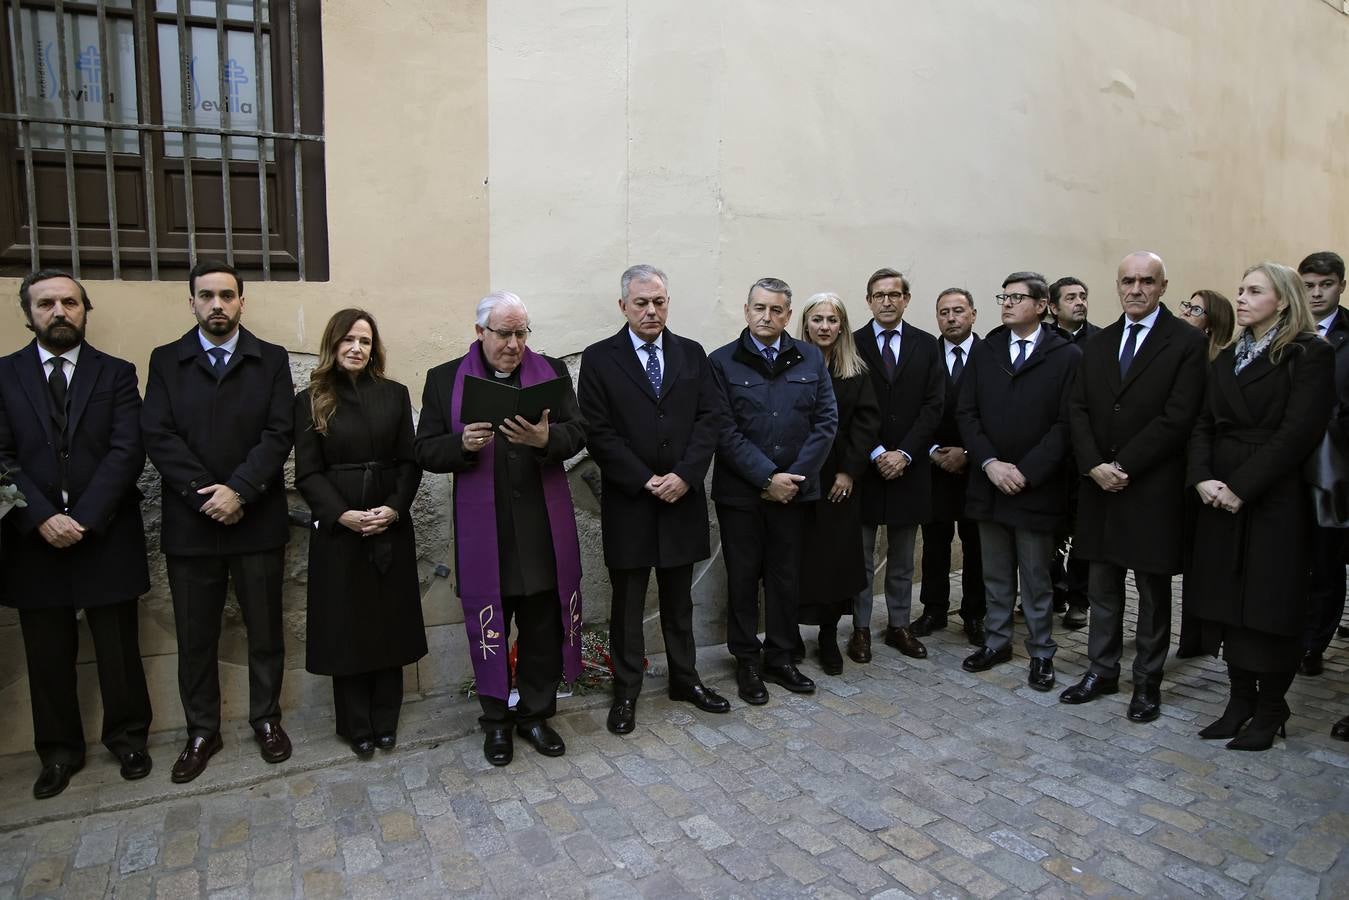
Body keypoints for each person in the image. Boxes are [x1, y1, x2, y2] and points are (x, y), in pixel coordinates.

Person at [415, 291, 586, 766]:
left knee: (540, 629)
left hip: (541, 530)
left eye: (521, 333)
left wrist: (546, 438)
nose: (514, 344)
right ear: (480, 333)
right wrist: (461, 444)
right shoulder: (444, 379)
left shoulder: (550, 370)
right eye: (503, 334)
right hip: (485, 535)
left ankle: (535, 715)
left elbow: (578, 432)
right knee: (491, 628)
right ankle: (496, 724)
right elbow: (425, 449)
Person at [0, 270, 153, 799]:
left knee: (118, 647)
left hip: (104, 531)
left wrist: (84, 516)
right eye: (46, 304)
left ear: (85, 311)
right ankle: (59, 752)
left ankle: (129, 738)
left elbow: (126, 449)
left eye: (69, 302)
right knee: (46, 653)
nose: (59, 311)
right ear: (29, 314)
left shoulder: (115, 373)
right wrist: (40, 516)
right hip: (32, 538)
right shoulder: (5, 375)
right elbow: (2, 458)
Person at [142, 261, 295, 783]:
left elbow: (278, 434)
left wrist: (240, 490)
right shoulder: (166, 361)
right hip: (192, 523)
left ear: (241, 302)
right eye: (206, 296)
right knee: (196, 636)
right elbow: (158, 436)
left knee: (265, 631)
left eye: (227, 295)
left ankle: (267, 719)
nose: (217, 305)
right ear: (191, 303)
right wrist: (206, 494)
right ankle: (201, 730)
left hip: (255, 518)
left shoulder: (270, 359)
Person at [577, 265, 730, 735]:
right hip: (631, 502)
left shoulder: (690, 354)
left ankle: (685, 678)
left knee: (679, 598)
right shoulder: (601, 359)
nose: (651, 310)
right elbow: (597, 432)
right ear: (623, 305)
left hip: (680, 499)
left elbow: (711, 418)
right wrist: (644, 479)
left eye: (659, 302)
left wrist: (685, 476)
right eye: (641, 302)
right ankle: (626, 691)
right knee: (626, 601)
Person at [1188, 262, 1333, 751]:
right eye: (1241, 289)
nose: (1242, 298)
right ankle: (1238, 701)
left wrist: (1242, 486)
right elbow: (1203, 422)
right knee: (1226, 597)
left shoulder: (1308, 354)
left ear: (1284, 300)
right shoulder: (1228, 357)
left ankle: (1272, 706)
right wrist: (1203, 477)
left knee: (1269, 603)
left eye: (1254, 291)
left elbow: (1298, 433)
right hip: (1219, 490)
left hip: (1275, 496)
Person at [1059, 252, 1208, 721]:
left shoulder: (1185, 342)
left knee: (1152, 592)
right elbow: (1077, 408)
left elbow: (1179, 416)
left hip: (1151, 488)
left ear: (1163, 286)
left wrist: (1124, 465)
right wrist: (1094, 465)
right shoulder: (1098, 344)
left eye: (1147, 281)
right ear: (1117, 286)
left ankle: (1147, 682)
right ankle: (1101, 671)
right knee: (1102, 587)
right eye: (1128, 281)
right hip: (1099, 487)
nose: (1136, 289)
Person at [293, 309, 426, 758]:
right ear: (333, 344)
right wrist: (341, 514)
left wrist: (392, 508)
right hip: (340, 529)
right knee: (347, 626)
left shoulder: (394, 394)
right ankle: (355, 725)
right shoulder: (311, 398)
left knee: (388, 621)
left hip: (388, 521)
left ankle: (386, 719)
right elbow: (308, 474)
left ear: (375, 348)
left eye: (365, 341)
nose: (356, 348)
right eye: (348, 339)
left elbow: (410, 463)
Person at [710, 277, 837, 704]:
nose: (767, 317)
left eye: (777, 310)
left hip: (795, 494)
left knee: (786, 579)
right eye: (759, 308)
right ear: (746, 311)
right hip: (742, 496)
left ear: (788, 313)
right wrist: (767, 478)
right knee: (743, 580)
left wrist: (792, 480)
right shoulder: (722, 362)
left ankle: (781, 656)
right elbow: (723, 430)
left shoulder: (810, 359)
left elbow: (825, 423)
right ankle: (746, 660)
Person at [957, 272, 1081, 691]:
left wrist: (1027, 470)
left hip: (1035, 485)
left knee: (1035, 575)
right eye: (1003, 297)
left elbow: (1067, 423)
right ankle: (997, 641)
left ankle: (1042, 650)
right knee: (994, 572)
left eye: (1016, 297)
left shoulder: (1065, 356)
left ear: (1042, 305)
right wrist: (990, 462)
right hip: (989, 481)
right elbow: (966, 413)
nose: (1006, 304)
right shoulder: (987, 350)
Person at [851, 269, 945, 662]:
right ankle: (859, 630)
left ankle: (899, 626)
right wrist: (875, 452)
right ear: (869, 300)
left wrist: (904, 453)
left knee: (904, 555)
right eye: (878, 295)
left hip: (910, 466)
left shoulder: (926, 345)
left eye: (894, 294)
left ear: (906, 299)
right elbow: (847, 406)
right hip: (865, 466)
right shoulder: (851, 344)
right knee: (860, 556)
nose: (886, 302)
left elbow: (934, 405)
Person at [793, 293, 880, 674]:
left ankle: (828, 635)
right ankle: (790, 634)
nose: (825, 327)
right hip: (797, 474)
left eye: (832, 320)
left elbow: (866, 425)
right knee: (793, 556)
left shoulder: (856, 369)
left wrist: (849, 472)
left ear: (841, 325)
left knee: (833, 561)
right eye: (817, 319)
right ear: (806, 324)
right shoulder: (789, 364)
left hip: (838, 480)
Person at [916, 288, 986, 646]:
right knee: (935, 541)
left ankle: (975, 613)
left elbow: (998, 413)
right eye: (944, 312)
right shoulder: (926, 354)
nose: (951, 318)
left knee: (976, 544)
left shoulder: (990, 354)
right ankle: (934, 609)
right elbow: (918, 407)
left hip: (977, 469)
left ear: (973, 314)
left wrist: (970, 453)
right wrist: (930, 451)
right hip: (935, 465)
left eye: (958, 311)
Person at [1175, 288, 1236, 658]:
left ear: (1212, 323)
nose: (1186, 313)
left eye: (1195, 309)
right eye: (1186, 304)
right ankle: (1193, 635)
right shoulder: (1182, 354)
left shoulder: (1219, 364)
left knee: (1209, 560)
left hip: (1208, 472)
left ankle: (1207, 634)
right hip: (1182, 468)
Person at [1297, 251, 1349, 677]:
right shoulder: (1285, 332)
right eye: (1309, 284)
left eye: (1325, 284)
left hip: (1335, 470)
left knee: (1326, 562)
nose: (1316, 293)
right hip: (1287, 466)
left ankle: (1314, 644)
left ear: (1340, 286)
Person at [1046, 276, 1099, 628]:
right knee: (1047, 530)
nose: (1079, 302)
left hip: (1084, 453)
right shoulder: (1044, 342)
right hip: (1051, 453)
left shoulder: (1101, 341)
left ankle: (1080, 597)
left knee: (1083, 531)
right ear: (1052, 307)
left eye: (1083, 296)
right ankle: (1052, 590)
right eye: (1070, 298)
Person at [1178, 290, 1236, 361]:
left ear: (1211, 325)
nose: (1185, 312)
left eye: (1196, 310)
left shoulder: (1221, 363)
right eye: (1187, 306)